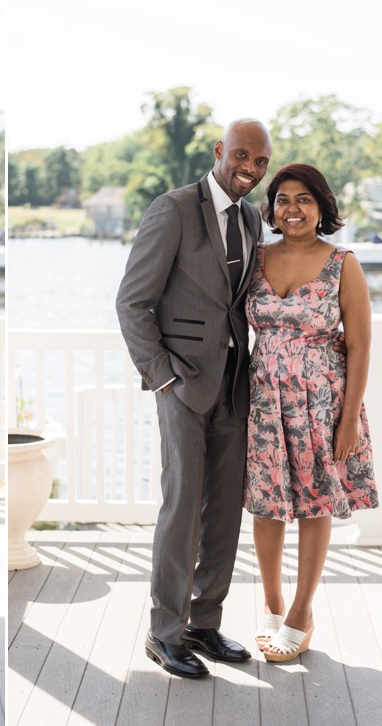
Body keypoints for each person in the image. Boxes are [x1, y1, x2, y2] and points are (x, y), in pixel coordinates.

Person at [115, 118, 272, 679]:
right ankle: (164, 633)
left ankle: (204, 623)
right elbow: (132, 303)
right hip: (181, 383)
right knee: (182, 507)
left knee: (225, 507)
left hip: (235, 382)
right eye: (242, 157)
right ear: (219, 152)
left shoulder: (253, 218)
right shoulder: (174, 208)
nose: (250, 170)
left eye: (260, 163)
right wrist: (162, 377)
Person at [244, 163, 378, 662]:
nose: (292, 208)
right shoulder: (254, 259)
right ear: (272, 209)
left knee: (314, 503)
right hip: (263, 401)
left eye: (303, 199)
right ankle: (272, 602)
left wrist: (348, 420)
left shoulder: (343, 262)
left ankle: (302, 610)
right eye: (282, 200)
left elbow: (361, 348)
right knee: (266, 503)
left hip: (322, 404)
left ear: (321, 206)